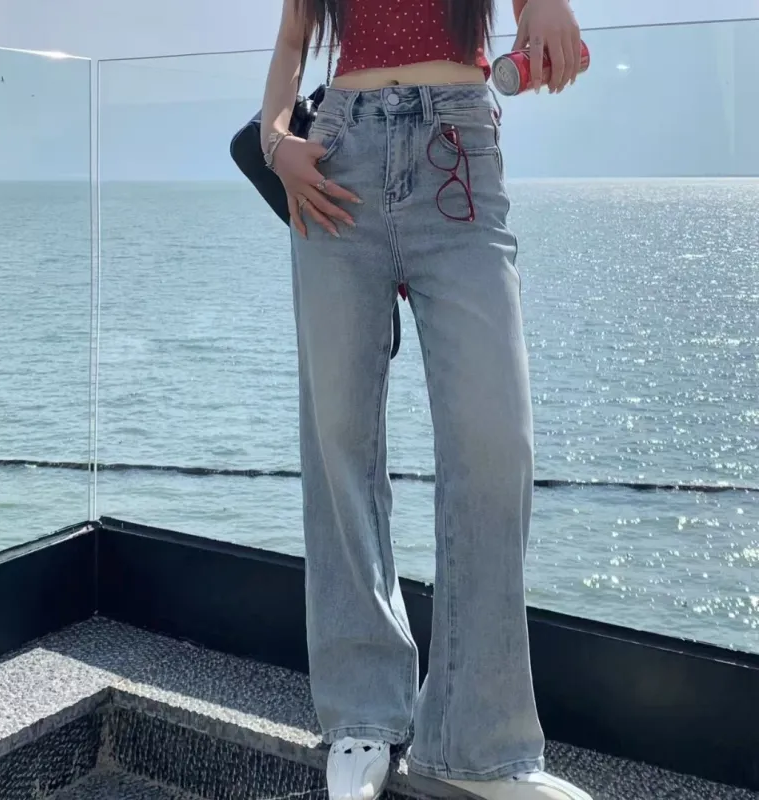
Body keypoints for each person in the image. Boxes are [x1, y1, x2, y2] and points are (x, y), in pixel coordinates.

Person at [260, 1, 592, 798]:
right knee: (337, 440)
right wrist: (277, 145)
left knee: (495, 443)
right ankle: (361, 715)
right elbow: (293, 39)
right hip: (336, 161)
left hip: (458, 154)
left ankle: (474, 745)